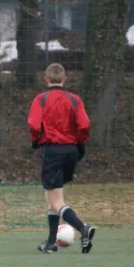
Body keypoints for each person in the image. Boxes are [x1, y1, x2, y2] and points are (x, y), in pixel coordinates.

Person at [27, 63, 96, 254]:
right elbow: (84, 125)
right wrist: (80, 143)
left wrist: (36, 140)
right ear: (64, 79)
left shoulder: (41, 99)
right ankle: (51, 242)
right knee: (54, 196)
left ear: (46, 79)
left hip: (53, 150)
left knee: (55, 201)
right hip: (71, 151)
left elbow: (34, 125)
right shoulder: (74, 99)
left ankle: (83, 228)